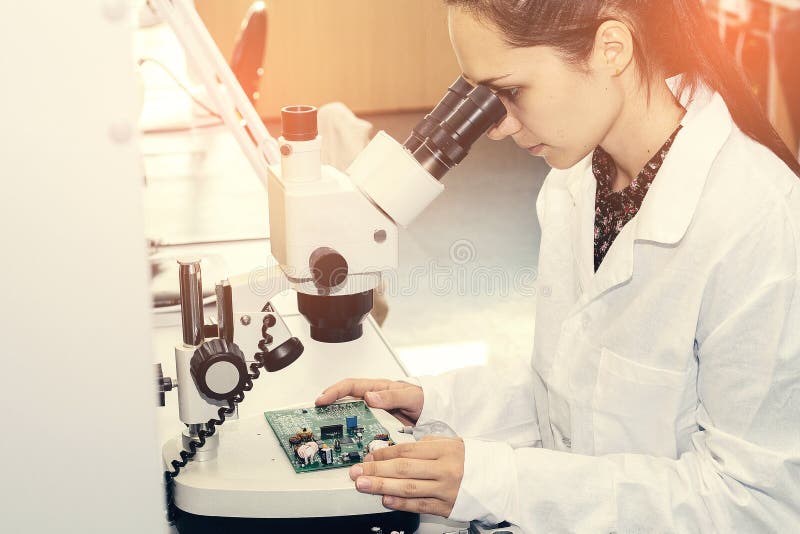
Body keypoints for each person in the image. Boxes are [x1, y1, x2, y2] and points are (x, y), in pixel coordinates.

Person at [315, 1, 800, 531]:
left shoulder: (758, 222)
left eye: (512, 91)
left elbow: (756, 505)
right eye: (479, 96)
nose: (495, 126)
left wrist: (504, 483)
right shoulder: (577, 184)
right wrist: (436, 405)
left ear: (611, 49)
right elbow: (573, 398)